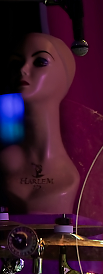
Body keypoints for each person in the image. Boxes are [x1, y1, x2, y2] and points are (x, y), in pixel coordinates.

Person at [2, 32, 80, 214]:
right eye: (16, 63)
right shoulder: (6, 161)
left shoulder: (69, 175)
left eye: (40, 62)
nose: (23, 69)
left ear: (63, 77)